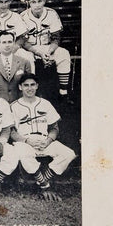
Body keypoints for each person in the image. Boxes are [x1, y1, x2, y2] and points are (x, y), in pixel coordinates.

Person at [10, 73, 76, 201]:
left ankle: (42, 181)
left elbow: (54, 128)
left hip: (44, 140)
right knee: (23, 154)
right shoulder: (14, 106)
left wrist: (48, 141)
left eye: (32, 85)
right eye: (26, 85)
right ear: (20, 87)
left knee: (69, 153)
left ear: (37, 86)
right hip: (25, 141)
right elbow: (12, 133)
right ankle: (45, 186)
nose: (30, 88)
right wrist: (27, 141)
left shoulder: (45, 103)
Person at [21, 0, 73, 102]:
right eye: (33, 2)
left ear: (44, 1)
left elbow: (56, 38)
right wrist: (38, 52)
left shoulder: (52, 13)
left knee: (64, 54)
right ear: (29, 3)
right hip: (31, 48)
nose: (37, 5)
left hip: (48, 47)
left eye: (39, 1)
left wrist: (49, 52)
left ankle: (63, 93)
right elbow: (23, 42)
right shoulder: (23, 15)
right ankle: (31, 93)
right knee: (26, 58)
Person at [0, 31, 32, 103]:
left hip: (20, 104)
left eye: (9, 42)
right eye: (4, 42)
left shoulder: (24, 62)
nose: (7, 45)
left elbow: (29, 85)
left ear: (14, 43)